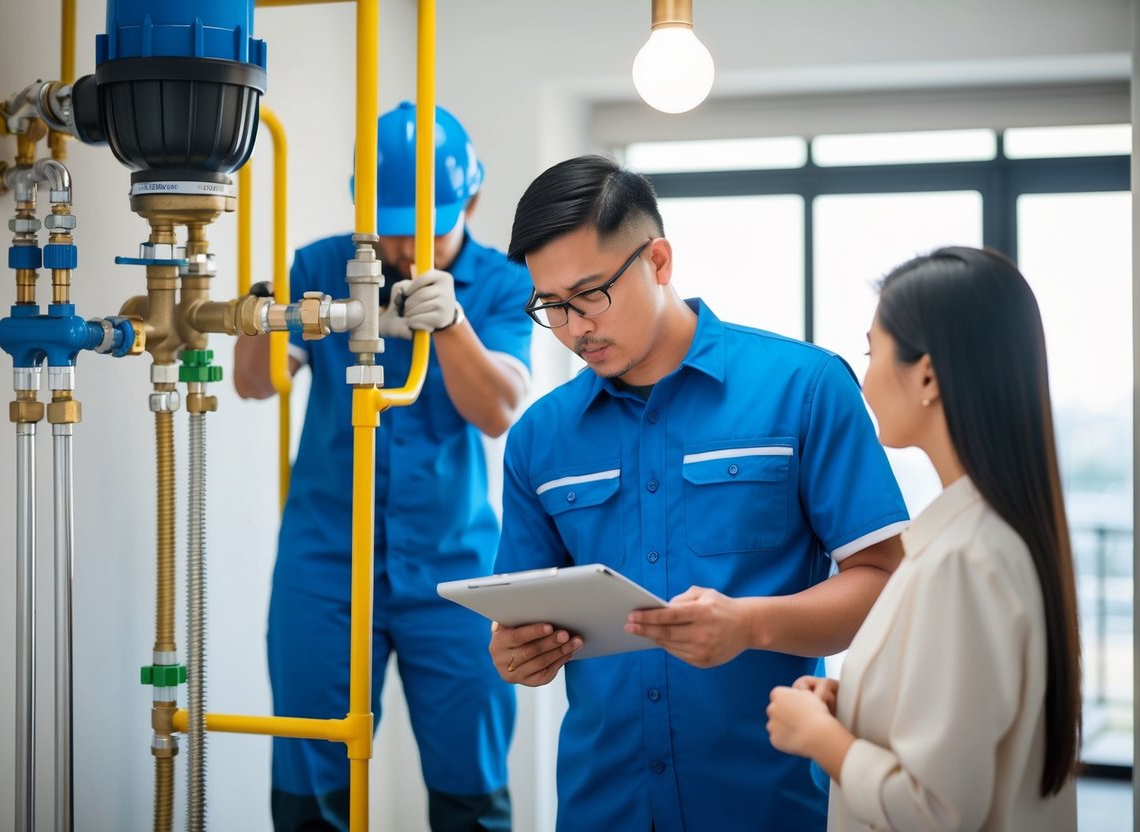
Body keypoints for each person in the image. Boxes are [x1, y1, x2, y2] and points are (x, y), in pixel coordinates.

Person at [488, 155, 909, 832]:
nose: (573, 329)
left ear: (657, 261)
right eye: (551, 306)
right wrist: (516, 653)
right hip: (603, 807)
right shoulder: (539, 439)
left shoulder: (804, 388)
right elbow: (524, 615)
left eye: (590, 294)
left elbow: (885, 584)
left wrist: (750, 625)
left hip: (766, 805)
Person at [234, 101, 532, 832]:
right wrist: (258, 310)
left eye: (425, 224)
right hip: (325, 563)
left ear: (470, 201)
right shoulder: (323, 264)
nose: (405, 244)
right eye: (391, 223)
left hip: (454, 569)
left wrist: (453, 324)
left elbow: (498, 410)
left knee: (471, 782)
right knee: (310, 775)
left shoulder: (500, 283)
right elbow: (252, 382)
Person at [765, 247, 1081, 830]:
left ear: (928, 374)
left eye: (872, 351)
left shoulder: (963, 559)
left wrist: (820, 738)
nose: (863, 377)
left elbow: (936, 810)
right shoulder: (992, 535)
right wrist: (853, 709)